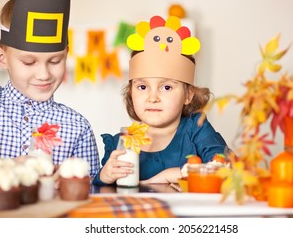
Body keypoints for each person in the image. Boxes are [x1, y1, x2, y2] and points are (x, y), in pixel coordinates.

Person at [0, 0, 100, 178]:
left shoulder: (77, 127)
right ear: (2, 58)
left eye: (55, 61)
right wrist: (9, 168)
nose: (44, 74)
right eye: (29, 62)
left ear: (66, 54)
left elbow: (90, 192)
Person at [93, 15, 231, 185]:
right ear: (131, 92)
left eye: (166, 87)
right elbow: (102, 192)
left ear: (188, 95)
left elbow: (225, 167)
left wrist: (171, 175)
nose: (152, 98)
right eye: (142, 87)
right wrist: (104, 177)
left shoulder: (197, 131)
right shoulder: (121, 142)